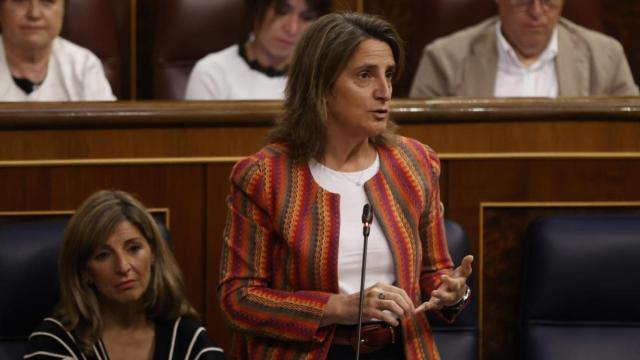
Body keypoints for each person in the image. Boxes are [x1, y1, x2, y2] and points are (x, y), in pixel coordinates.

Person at [219, 12, 473, 359]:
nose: (384, 92)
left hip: (401, 349)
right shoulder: (265, 177)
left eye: (388, 75)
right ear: (321, 85)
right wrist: (342, 307)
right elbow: (239, 299)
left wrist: (451, 291)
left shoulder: (414, 164)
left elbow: (434, 272)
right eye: (364, 75)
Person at [25, 190, 224, 359]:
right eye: (103, 255)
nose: (123, 266)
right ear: (85, 271)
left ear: (153, 253)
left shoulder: (187, 338)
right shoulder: (55, 342)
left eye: (133, 248)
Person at [410, 0, 639, 98]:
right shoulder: (443, 60)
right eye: (524, 1)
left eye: (548, 2)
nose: (537, 11)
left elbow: (629, 138)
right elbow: (415, 152)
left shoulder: (607, 57)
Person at [184, 0, 330, 100]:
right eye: (282, 11)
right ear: (257, 9)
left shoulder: (318, 78)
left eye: (306, 17)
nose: (292, 28)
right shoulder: (211, 72)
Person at [0, 0, 115, 101]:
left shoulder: (84, 66)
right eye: (21, 1)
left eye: (47, 1)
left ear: (64, 9)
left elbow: (107, 124)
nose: (34, 14)